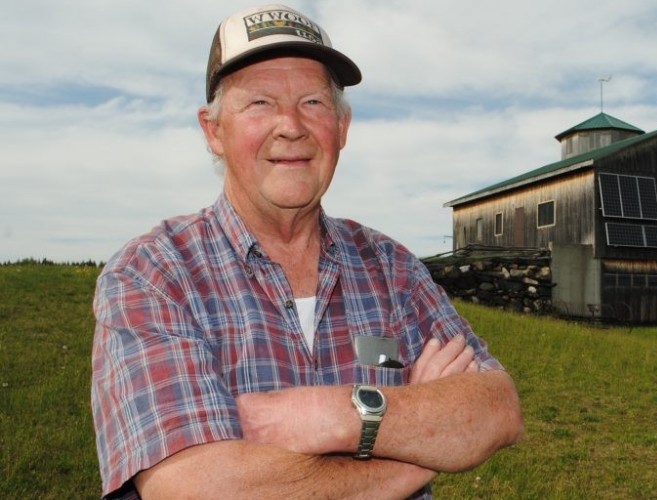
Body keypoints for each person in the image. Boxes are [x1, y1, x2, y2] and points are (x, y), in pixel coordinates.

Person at [90, 4, 523, 499]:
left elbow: (496, 409)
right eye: (259, 103)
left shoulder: (391, 268)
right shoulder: (154, 272)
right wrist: (415, 453)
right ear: (213, 131)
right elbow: (195, 486)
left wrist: (332, 414)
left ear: (341, 127)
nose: (291, 126)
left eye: (313, 102)